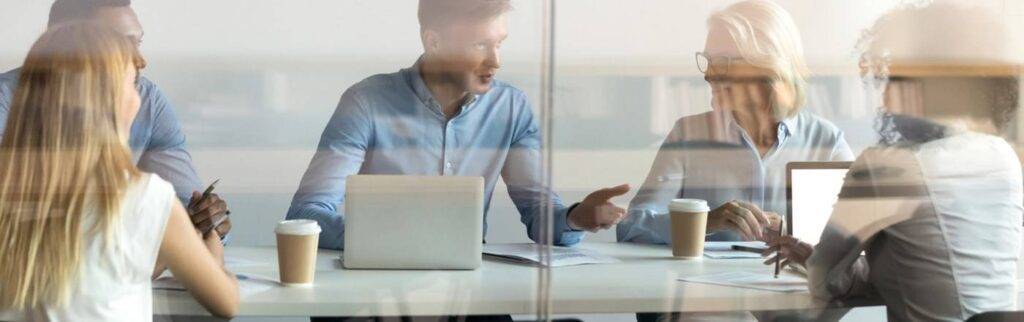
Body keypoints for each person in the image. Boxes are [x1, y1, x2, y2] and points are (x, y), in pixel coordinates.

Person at [286, 0, 630, 250]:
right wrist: (388, 240)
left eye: (499, 44)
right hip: (379, 287)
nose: (495, 61)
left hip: (464, 293)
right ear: (433, 42)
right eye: (480, 45)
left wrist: (576, 217)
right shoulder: (367, 102)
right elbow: (306, 215)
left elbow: (540, 216)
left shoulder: (509, 107)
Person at [766, 3, 1023, 321]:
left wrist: (820, 261)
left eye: (895, 77)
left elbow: (823, 278)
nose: (887, 93)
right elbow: (929, 270)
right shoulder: (1002, 158)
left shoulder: (890, 168)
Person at [0, 22, 238, 321]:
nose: (139, 98)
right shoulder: (145, 198)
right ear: (108, 105)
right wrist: (208, 234)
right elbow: (225, 301)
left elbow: (102, 275)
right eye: (130, 84)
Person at [618, 0, 854, 245]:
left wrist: (792, 230)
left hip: (791, 284)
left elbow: (859, 234)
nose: (708, 75)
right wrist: (705, 221)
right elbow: (630, 227)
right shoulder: (687, 135)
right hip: (704, 284)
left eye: (722, 62)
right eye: (708, 61)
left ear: (767, 67)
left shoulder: (827, 142)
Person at [0, 0, 231, 238]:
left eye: (137, 43)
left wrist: (209, 222)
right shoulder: (5, 100)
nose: (140, 59)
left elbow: (186, 210)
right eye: (118, 44)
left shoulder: (147, 101)